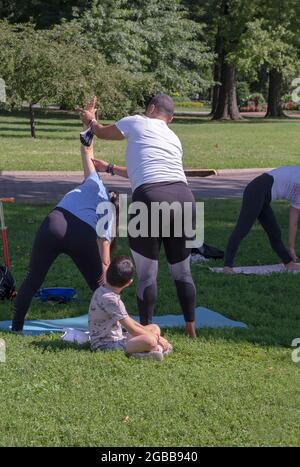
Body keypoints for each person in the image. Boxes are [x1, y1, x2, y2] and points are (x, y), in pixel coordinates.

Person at [78, 94, 197, 338]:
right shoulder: (173, 137)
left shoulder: (136, 121)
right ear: (170, 118)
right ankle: (190, 328)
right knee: (182, 272)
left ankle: (145, 329)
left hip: (150, 199)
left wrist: (90, 121)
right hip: (185, 198)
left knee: (146, 274)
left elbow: (101, 132)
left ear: (151, 108)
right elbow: (144, 171)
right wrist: (109, 168)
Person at [11, 99, 118, 332]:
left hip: (55, 222)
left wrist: (89, 121)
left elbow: (86, 149)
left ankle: (16, 327)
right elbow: (106, 257)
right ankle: (117, 325)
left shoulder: (94, 182)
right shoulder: (109, 213)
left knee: (32, 279)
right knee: (100, 287)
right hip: (81, 235)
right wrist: (105, 277)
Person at [89, 255, 172, 360]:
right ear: (129, 283)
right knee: (150, 340)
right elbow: (132, 329)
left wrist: (152, 334)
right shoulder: (112, 300)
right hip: (104, 345)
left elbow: (128, 320)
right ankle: (143, 352)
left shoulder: (102, 290)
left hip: (118, 337)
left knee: (154, 328)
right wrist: (158, 338)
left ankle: (148, 350)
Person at [223, 166, 300, 273]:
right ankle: (227, 266)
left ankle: (288, 262)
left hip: (264, 196)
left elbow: (294, 223)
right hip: (256, 190)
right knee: (243, 228)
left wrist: (291, 247)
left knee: (275, 232)